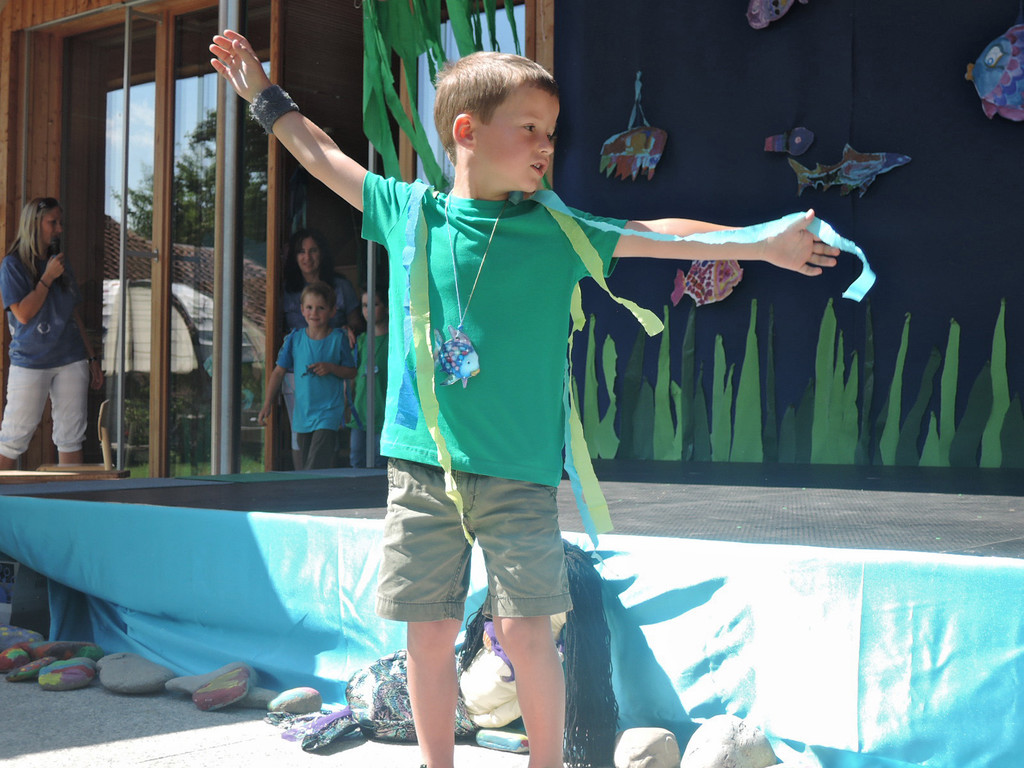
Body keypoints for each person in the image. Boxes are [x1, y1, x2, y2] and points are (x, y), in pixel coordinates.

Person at [211, 30, 838, 768]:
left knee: (528, 631)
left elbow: (655, 233)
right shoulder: (410, 212)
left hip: (519, 473)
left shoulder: (556, 232)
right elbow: (321, 155)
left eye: (552, 132)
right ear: (467, 132)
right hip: (423, 470)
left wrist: (762, 242)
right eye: (531, 128)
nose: (547, 146)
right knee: (427, 634)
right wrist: (264, 96)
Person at [0, 197, 104, 469]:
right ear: (34, 223)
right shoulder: (12, 264)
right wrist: (47, 278)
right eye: (53, 222)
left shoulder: (59, 262)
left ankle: (70, 495)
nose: (59, 229)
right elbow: (23, 314)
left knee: (71, 438)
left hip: (71, 357)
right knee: (13, 438)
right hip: (30, 360)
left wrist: (91, 357)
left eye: (60, 222)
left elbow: (72, 313)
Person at [280, 228, 361, 469]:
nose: (307, 257)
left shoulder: (340, 286)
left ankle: (319, 482)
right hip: (296, 370)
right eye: (301, 251)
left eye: (313, 250)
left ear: (322, 253)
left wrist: (347, 329)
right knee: (300, 432)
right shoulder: (286, 289)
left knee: (327, 428)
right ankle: (301, 481)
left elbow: (358, 322)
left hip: (332, 366)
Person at [258, 280, 357, 470]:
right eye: (309, 307)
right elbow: (279, 371)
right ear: (302, 310)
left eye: (321, 308)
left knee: (315, 465)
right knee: (308, 468)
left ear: (332, 311)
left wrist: (331, 368)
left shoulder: (339, 339)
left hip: (328, 413)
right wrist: (267, 402)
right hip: (303, 414)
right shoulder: (294, 339)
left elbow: (351, 371)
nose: (314, 313)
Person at [348, 285, 388, 469]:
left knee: (380, 465)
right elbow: (352, 376)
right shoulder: (361, 340)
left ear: (386, 307)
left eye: (374, 304)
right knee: (356, 461)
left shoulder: (394, 341)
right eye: (364, 305)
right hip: (360, 415)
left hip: (383, 416)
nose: (368, 310)